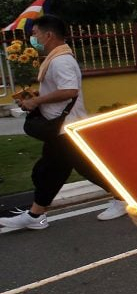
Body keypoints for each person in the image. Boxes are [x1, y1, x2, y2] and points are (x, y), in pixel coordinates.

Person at [0, 15, 126, 233]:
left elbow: (70, 91)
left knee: (71, 169)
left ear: (48, 35)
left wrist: (36, 100)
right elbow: (62, 88)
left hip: (66, 127)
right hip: (61, 128)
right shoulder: (56, 58)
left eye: (35, 34)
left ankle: (123, 197)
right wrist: (35, 97)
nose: (33, 38)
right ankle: (36, 215)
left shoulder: (61, 60)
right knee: (52, 171)